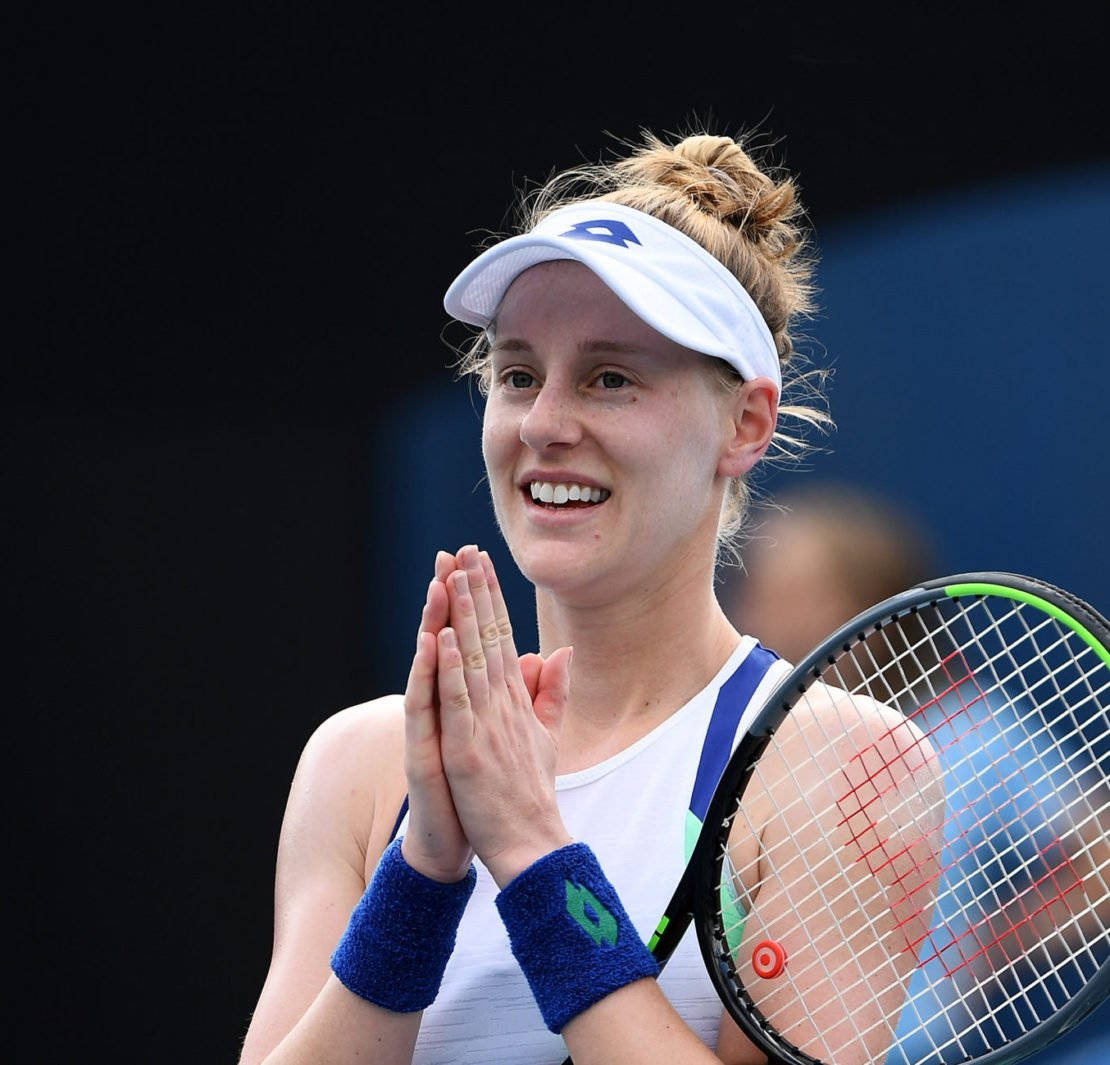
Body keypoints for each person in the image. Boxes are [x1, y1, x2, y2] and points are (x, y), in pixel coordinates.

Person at [239, 130, 849, 1065]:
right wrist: (424, 871)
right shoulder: (357, 764)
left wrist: (530, 853)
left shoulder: (834, 762)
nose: (545, 424)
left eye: (610, 378)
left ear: (746, 423)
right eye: (518, 374)